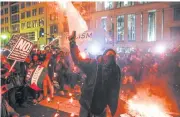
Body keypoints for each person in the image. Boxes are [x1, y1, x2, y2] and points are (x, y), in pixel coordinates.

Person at [69, 31, 121, 117]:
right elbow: (78, 60)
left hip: (101, 107)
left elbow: (114, 89)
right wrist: (72, 43)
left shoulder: (115, 70)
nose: (109, 57)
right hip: (86, 103)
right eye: (108, 54)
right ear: (103, 56)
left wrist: (112, 108)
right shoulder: (93, 64)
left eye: (112, 55)